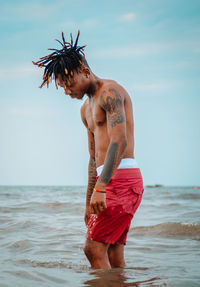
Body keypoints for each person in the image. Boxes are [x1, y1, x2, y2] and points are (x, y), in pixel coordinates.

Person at [33, 31, 144, 269]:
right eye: (63, 87)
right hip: (109, 181)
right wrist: (88, 200)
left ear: (84, 70)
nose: (67, 91)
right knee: (113, 251)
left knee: (92, 249)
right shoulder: (85, 109)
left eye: (69, 84)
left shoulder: (110, 92)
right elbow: (93, 159)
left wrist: (101, 188)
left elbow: (119, 141)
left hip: (121, 179)